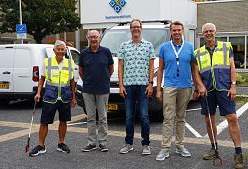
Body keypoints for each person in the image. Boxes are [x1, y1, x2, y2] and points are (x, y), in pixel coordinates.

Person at [193, 23, 243, 169]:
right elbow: (195, 72)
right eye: (206, 31)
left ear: (215, 32)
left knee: (232, 118)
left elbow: (232, 67)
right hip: (207, 91)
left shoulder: (226, 46)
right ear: (202, 34)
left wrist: (233, 85)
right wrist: (199, 85)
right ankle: (214, 148)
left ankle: (238, 154)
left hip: (224, 89)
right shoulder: (198, 53)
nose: (208, 33)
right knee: (209, 120)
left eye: (211, 31)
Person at [29, 40, 76, 157]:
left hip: (65, 97)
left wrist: (73, 97)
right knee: (44, 121)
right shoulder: (47, 62)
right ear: (54, 50)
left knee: (63, 120)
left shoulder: (70, 63)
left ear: (65, 51)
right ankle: (41, 146)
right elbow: (42, 79)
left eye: (62, 49)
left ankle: (61, 143)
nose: (60, 51)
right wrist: (38, 93)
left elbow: (72, 81)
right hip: (50, 96)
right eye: (58, 49)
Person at [155, 21, 195, 161]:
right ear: (170, 32)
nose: (177, 32)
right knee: (168, 118)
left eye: (179, 30)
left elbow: (194, 69)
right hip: (170, 86)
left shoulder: (190, 47)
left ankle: (180, 145)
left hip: (185, 86)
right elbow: (160, 69)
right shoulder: (164, 48)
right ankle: (165, 148)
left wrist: (195, 86)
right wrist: (159, 88)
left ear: (182, 31)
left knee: (181, 118)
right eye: (174, 30)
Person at [118, 19, 155, 155]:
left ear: (141, 28)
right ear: (130, 29)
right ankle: (129, 144)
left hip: (143, 86)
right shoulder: (123, 46)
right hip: (128, 86)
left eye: (138, 27)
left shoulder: (148, 45)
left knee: (144, 116)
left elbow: (151, 66)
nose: (136, 29)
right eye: (133, 27)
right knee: (129, 117)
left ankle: (146, 145)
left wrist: (151, 83)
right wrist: (121, 85)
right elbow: (120, 67)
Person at [79, 30, 114, 152]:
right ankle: (91, 142)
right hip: (88, 89)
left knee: (103, 117)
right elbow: (81, 70)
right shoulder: (84, 53)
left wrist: (104, 79)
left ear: (99, 38)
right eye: (91, 37)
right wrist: (88, 81)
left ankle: (103, 142)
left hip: (103, 89)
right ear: (88, 38)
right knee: (91, 117)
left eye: (95, 37)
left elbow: (111, 68)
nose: (93, 39)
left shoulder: (106, 52)